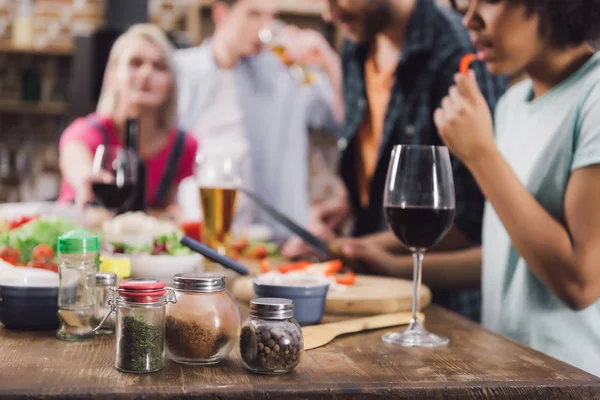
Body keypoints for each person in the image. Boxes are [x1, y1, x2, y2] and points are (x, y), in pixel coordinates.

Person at [284, 0, 507, 322]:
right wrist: (347, 205)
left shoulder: (460, 53)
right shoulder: (356, 46)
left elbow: (469, 218)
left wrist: (354, 247)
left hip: (441, 312)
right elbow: (381, 169)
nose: (328, 14)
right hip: (369, 295)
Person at [433, 0, 600, 376]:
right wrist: (396, 268)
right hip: (505, 374)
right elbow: (511, 260)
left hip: (574, 382)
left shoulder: (595, 97)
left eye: (488, 1)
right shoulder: (510, 105)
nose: (469, 19)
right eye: (465, 2)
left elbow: (581, 282)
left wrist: (480, 155)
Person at [175, 0, 343, 240]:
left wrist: (326, 58)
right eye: (253, 14)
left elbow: (340, 120)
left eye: (270, 17)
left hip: (268, 237)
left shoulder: (283, 74)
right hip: (196, 230)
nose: (264, 27)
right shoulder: (181, 69)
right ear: (221, 14)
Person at [58, 24, 198, 212]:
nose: (146, 73)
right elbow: (73, 156)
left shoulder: (184, 147)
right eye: (135, 63)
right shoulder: (88, 131)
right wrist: (85, 176)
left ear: (170, 83)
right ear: (112, 76)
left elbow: (166, 211)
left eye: (159, 66)